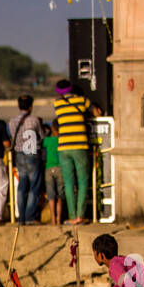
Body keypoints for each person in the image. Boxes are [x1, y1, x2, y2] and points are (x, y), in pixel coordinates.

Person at [53, 79, 92, 223]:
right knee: (82, 180)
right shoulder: (82, 100)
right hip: (80, 145)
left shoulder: (57, 104)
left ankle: (72, 216)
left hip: (63, 146)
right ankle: (81, 215)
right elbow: (93, 109)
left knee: (68, 183)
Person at [9, 94, 45, 224]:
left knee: (22, 186)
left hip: (19, 154)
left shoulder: (12, 121)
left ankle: (21, 217)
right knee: (34, 186)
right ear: (30, 106)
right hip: (32, 153)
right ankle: (30, 216)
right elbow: (41, 136)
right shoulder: (34, 120)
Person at [42, 122, 66, 224]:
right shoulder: (62, 140)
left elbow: (42, 144)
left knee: (51, 196)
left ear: (52, 128)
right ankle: (59, 219)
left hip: (49, 168)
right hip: (60, 168)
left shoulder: (48, 140)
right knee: (60, 196)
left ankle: (53, 219)